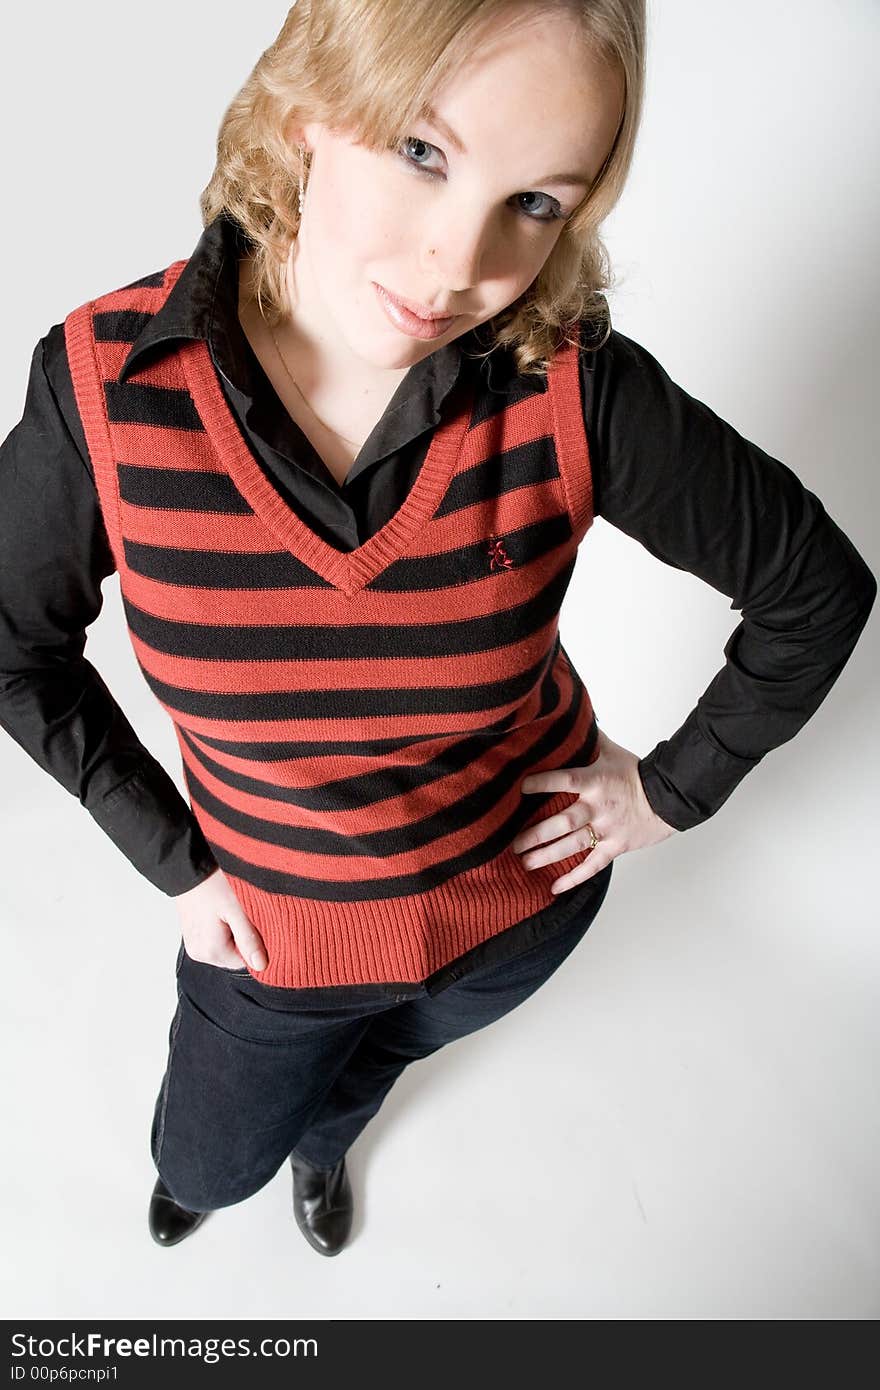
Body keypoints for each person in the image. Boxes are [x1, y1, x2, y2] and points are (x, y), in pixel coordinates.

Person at [0, 0, 874, 1259]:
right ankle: (242, 1159)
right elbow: (14, 646)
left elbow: (815, 589)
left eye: (536, 203)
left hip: (512, 913)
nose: (458, 264)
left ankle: (326, 1137)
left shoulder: (572, 383)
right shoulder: (109, 386)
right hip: (271, 938)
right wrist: (179, 866)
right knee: (202, 1158)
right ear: (311, 110)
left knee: (363, 1079)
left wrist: (671, 792)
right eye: (423, 151)